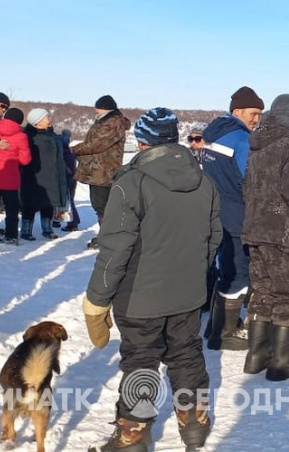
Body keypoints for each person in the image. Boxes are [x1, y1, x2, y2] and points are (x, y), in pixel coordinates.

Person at [83, 108, 222, 451]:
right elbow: (212, 238)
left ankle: (132, 435)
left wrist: (97, 299)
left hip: (139, 295)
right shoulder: (204, 181)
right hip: (187, 292)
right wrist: (194, 274)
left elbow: (115, 248)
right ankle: (194, 422)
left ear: (142, 142)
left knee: (141, 360)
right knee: (186, 353)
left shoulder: (132, 182)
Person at [241, 94, 289, 381]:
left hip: (255, 229)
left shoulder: (258, 146)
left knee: (262, 290)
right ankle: (282, 359)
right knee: (287, 293)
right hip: (284, 232)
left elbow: (247, 187)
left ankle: (256, 354)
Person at [202, 86, 264, 352]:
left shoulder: (214, 134)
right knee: (237, 271)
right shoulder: (241, 139)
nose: (256, 119)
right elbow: (251, 180)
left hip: (215, 211)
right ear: (237, 112)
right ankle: (225, 333)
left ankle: (215, 326)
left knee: (224, 267)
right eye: (253, 114)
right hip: (237, 213)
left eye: (259, 114)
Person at [72, 95, 131, 249]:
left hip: (104, 172)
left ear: (105, 108)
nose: (95, 111)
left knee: (103, 206)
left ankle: (107, 238)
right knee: (101, 206)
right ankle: (106, 236)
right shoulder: (104, 121)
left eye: (97, 108)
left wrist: (73, 149)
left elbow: (97, 144)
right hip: (97, 170)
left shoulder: (113, 122)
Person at [20, 109, 67, 241]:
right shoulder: (29, 136)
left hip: (51, 173)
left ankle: (47, 228)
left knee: (49, 201)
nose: (49, 119)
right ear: (37, 122)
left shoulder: (52, 135)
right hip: (33, 174)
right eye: (46, 117)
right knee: (30, 202)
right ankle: (26, 230)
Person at [0, 108, 31, 244]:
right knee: (11, 209)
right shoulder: (21, 136)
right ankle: (11, 235)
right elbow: (25, 160)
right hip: (10, 177)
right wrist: (14, 159)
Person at [59, 128, 81, 232]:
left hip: (66, 179)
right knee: (69, 199)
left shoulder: (62, 155)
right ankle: (70, 221)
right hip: (72, 178)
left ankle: (72, 222)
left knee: (67, 201)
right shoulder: (71, 153)